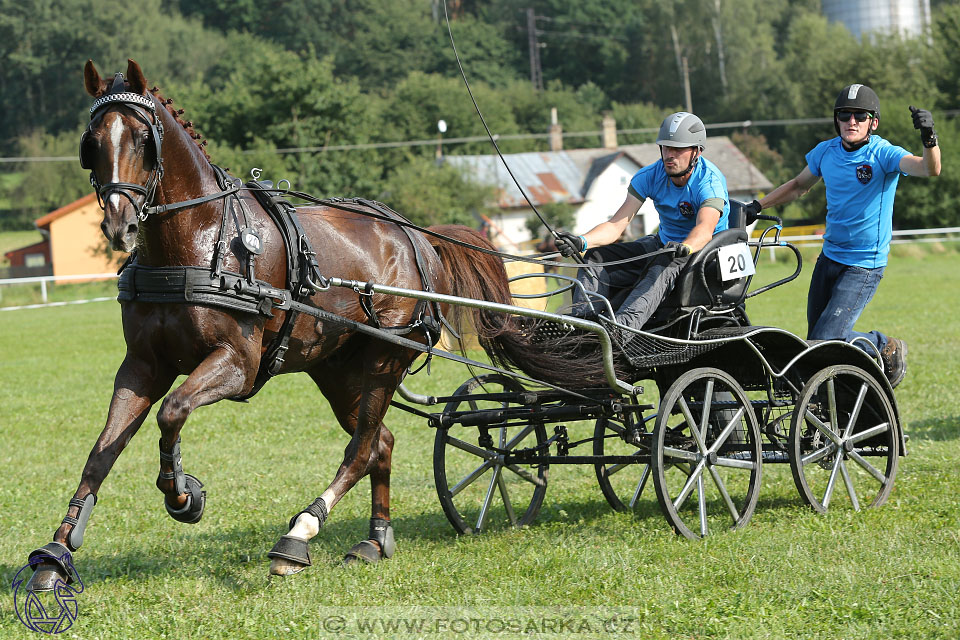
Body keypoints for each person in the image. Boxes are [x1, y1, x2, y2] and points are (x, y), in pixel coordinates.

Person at [744, 84, 941, 388]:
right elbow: (798, 186)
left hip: (864, 265)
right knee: (815, 345)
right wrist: (757, 205)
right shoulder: (826, 152)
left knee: (826, 340)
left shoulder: (883, 153)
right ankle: (827, 411)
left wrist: (929, 139)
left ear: (872, 122)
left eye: (860, 115)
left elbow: (929, 169)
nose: (851, 121)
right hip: (829, 258)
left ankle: (883, 343)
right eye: (844, 115)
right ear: (836, 119)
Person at [555, 111, 730, 331]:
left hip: (703, 253)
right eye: (666, 147)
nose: (669, 155)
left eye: (677, 149)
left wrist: (685, 246)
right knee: (596, 258)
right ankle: (584, 328)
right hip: (663, 246)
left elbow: (704, 229)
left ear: (696, 151)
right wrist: (582, 241)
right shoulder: (648, 176)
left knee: (663, 261)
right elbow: (616, 224)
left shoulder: (709, 181)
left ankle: (620, 331)